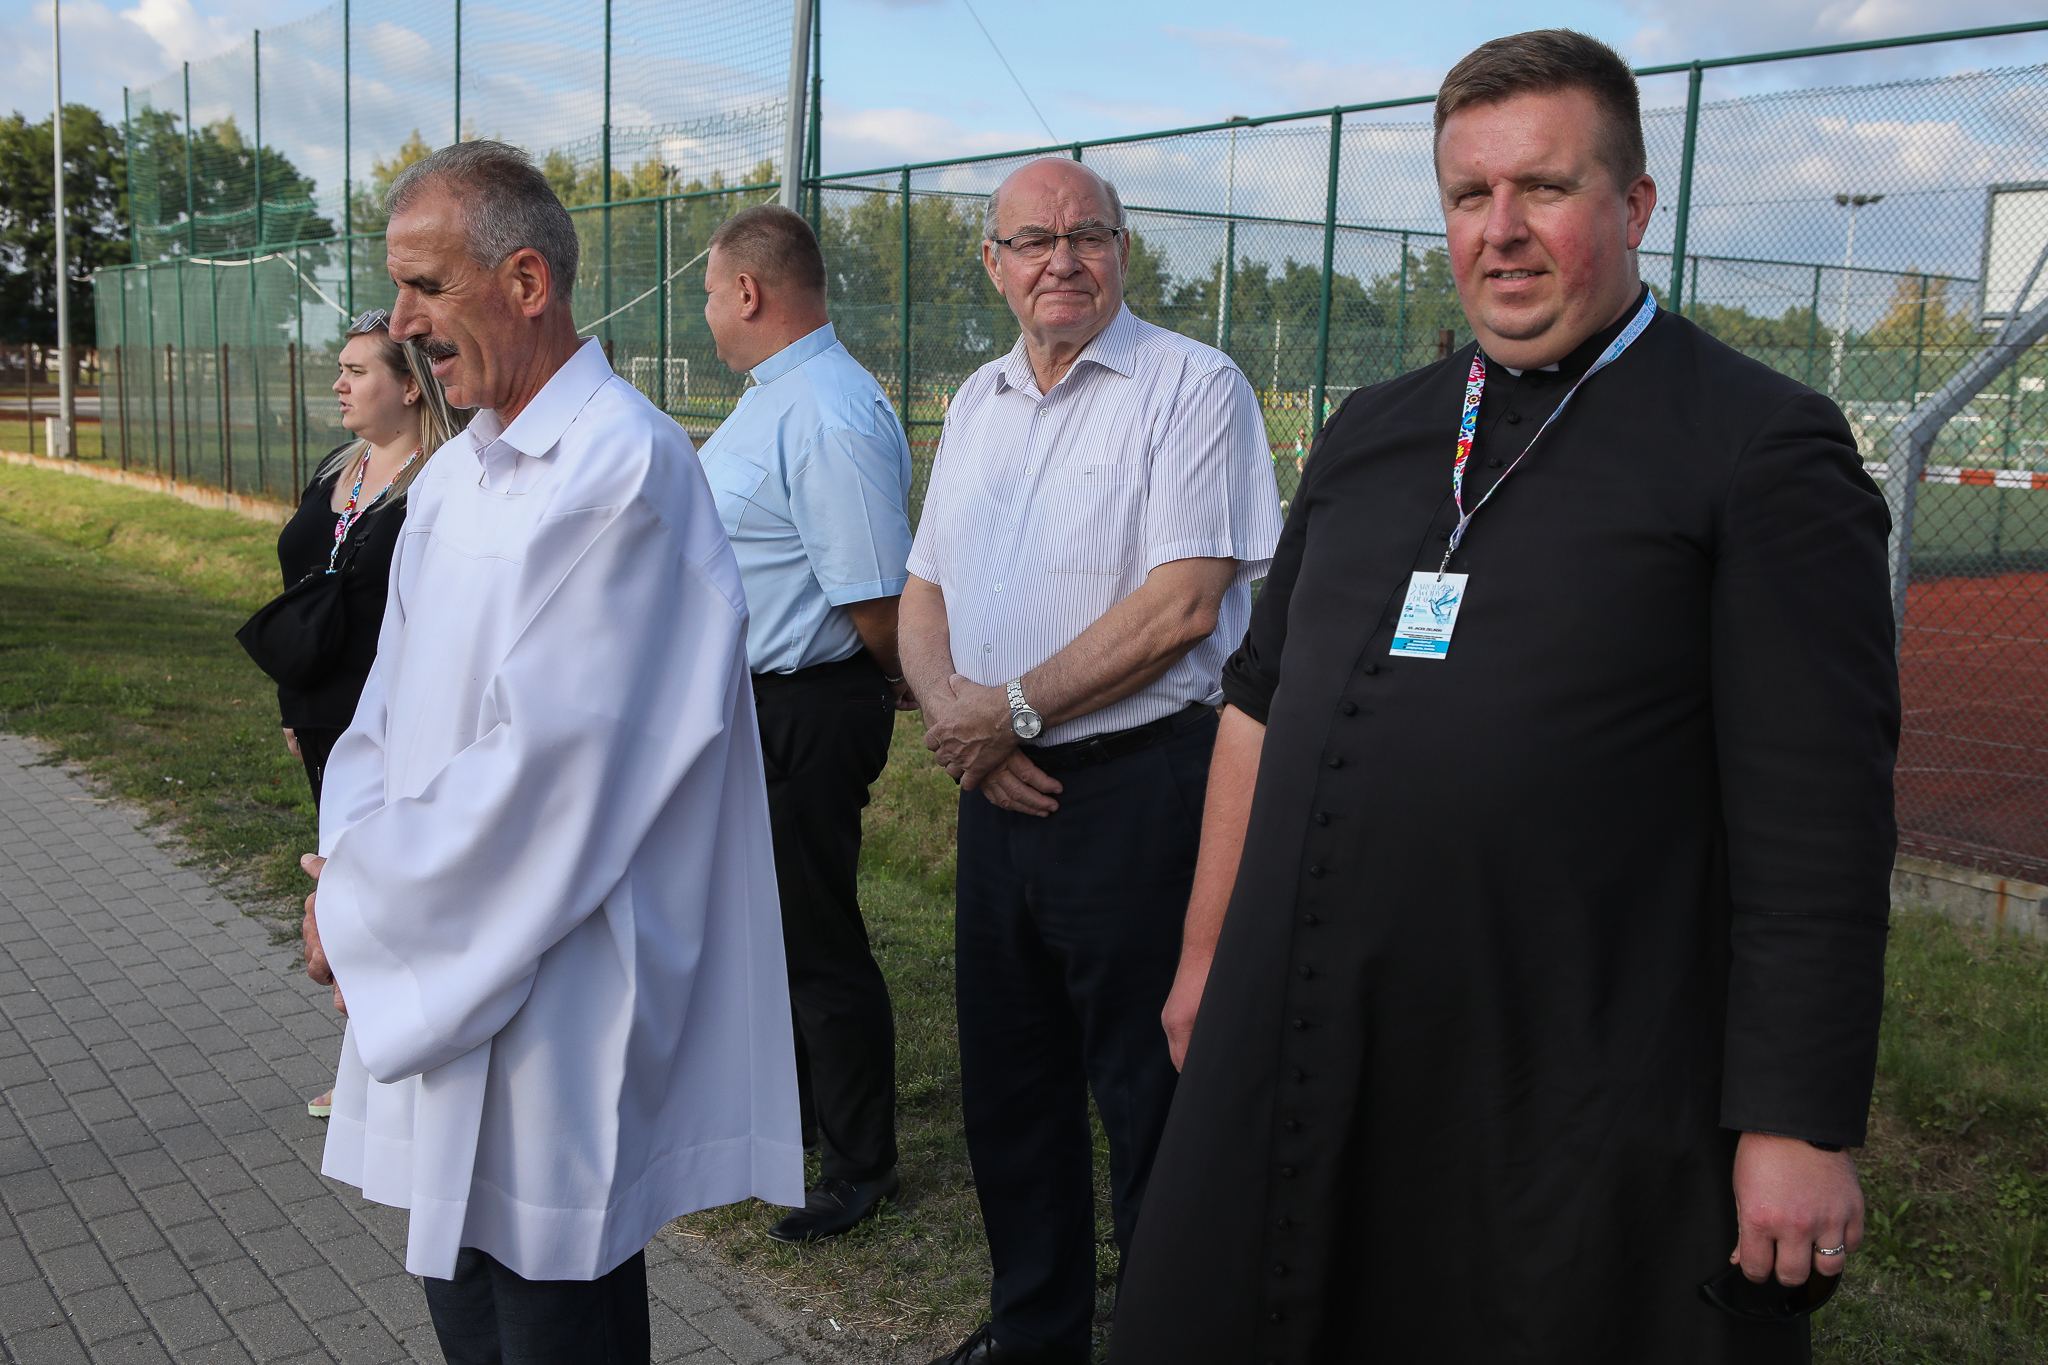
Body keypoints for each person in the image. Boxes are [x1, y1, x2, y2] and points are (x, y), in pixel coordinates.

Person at [1110, 31, 1899, 1365]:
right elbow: (1258, 703)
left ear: (1634, 204)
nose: (1502, 230)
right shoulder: (1372, 430)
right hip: (1306, 1028)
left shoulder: (1759, 448)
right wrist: (1203, 960)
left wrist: (1797, 1120)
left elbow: (1818, 821)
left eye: (1544, 187)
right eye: (1469, 195)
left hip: (1567, 1075)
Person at [297, 140, 802, 1362]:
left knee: (548, 1303)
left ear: (525, 282)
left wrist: (366, 911)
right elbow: (382, 713)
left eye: (426, 287)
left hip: (558, 980)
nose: (403, 323)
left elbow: (557, 770)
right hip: (436, 932)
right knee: (461, 1282)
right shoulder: (459, 476)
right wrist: (350, 870)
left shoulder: (623, 469)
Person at [900, 156, 1283, 1365]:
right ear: (993, 264)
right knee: (1010, 1091)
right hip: (995, 792)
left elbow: (1181, 606)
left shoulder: (1190, 385)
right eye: (1032, 240)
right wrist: (960, 721)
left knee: (1150, 1095)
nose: (1060, 259)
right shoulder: (977, 400)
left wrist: (1007, 711)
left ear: (1122, 250)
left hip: (1139, 795)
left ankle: (1170, 1339)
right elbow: (923, 589)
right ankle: (1036, 1333)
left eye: (1087, 235)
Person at [695, 203, 916, 1243]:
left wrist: (903, 679)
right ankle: (792, 1124)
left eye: (709, 293)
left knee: (815, 935)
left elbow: (874, 596)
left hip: (808, 706)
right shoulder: (776, 399)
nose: (706, 312)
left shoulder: (825, 410)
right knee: (771, 930)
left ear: (747, 291)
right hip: (758, 704)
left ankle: (859, 1164)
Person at [273, 306, 465, 1120]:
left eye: (357, 371)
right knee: (341, 879)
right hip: (322, 714)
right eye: (341, 369)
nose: (339, 384)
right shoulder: (338, 469)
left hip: (394, 720)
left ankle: (394, 1065)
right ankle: (365, 1063)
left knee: (387, 885)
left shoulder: (443, 481)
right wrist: (293, 699)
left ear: (410, 386)